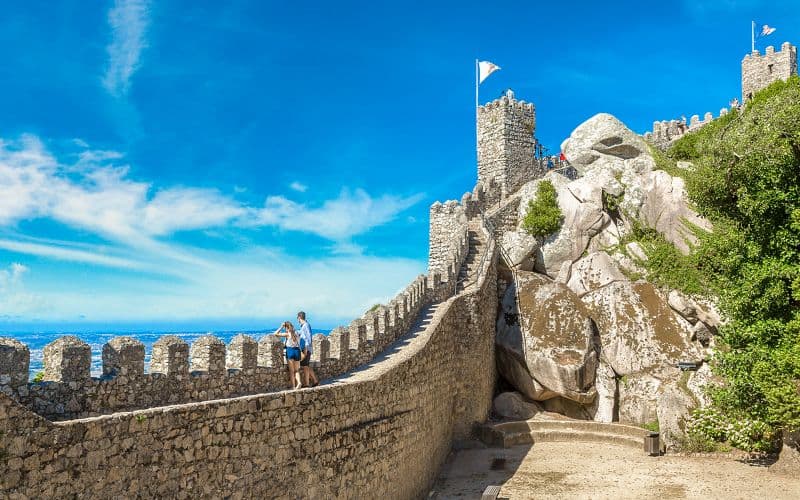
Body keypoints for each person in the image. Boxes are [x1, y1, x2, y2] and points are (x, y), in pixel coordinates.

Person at [274, 321, 303, 390]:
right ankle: (299, 382)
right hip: (297, 351)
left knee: (291, 371)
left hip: (290, 351)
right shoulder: (297, 333)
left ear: (286, 328)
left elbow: (275, 334)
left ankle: (293, 386)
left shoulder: (287, 334)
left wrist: (281, 327)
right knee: (297, 370)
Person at [297, 311, 319, 387]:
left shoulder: (306, 325)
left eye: (297, 318)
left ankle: (307, 383)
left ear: (299, 317)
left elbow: (309, 338)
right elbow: (301, 334)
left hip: (306, 349)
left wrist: (306, 349)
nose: (298, 320)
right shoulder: (304, 326)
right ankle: (314, 381)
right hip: (305, 348)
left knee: (305, 366)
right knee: (306, 365)